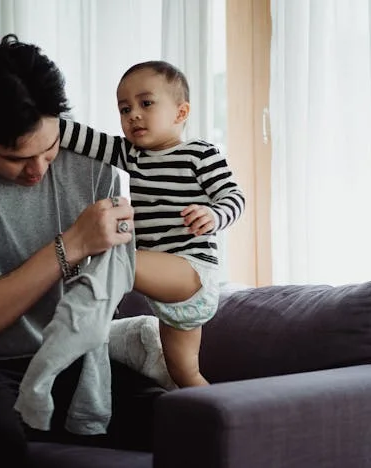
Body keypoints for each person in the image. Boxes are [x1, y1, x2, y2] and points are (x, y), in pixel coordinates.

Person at [0, 34, 164, 468]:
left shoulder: (93, 163)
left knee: (178, 423)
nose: (39, 169)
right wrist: (72, 244)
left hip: (71, 357)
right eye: (15, 158)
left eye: (49, 148)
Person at [58, 60, 246, 388]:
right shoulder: (131, 155)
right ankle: (221, 421)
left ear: (181, 112)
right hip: (168, 298)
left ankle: (81, 318)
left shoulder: (200, 154)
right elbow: (82, 139)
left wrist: (214, 215)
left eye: (146, 103)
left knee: (116, 258)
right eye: (124, 108)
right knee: (183, 374)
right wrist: (42, 123)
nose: (133, 115)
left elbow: (234, 197)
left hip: (190, 273)